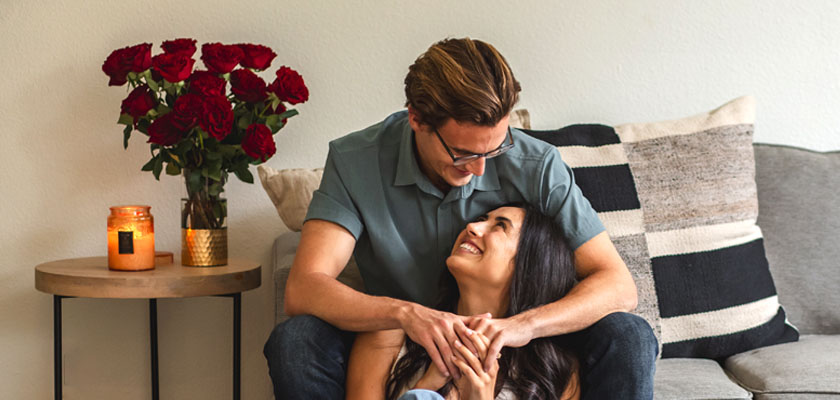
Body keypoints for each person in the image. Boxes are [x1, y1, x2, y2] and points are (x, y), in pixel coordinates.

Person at [264, 37, 657, 399]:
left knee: (628, 333)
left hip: (516, 338)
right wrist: (406, 314)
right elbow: (305, 288)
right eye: (464, 154)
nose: (482, 170)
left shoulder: (537, 165)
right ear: (416, 119)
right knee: (296, 341)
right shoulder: (356, 162)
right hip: (398, 337)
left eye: (497, 149)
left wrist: (523, 326)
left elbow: (618, 286)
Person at [347, 204, 581, 400]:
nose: (472, 227)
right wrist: (426, 387)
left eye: (500, 226)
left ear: (531, 266)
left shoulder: (555, 371)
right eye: (481, 219)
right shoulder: (388, 333)